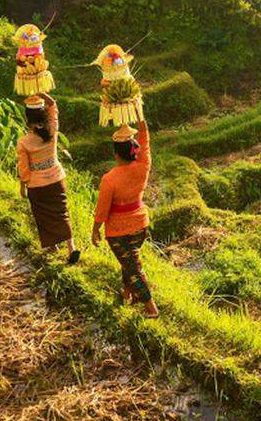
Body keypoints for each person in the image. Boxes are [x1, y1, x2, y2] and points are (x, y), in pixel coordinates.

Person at [91, 120, 159, 319]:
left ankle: (151, 309)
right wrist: (140, 120)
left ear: (116, 154)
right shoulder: (143, 165)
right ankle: (127, 293)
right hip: (140, 226)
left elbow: (102, 209)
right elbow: (145, 140)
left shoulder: (109, 179)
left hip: (119, 232)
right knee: (128, 262)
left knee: (133, 269)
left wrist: (95, 229)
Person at [17, 94, 79, 264]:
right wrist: (42, 93)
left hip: (37, 185)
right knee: (62, 213)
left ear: (28, 120)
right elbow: (53, 106)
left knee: (43, 216)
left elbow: (24, 168)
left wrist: (23, 186)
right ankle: (71, 247)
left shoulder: (23, 142)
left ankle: (53, 246)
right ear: (44, 116)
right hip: (57, 180)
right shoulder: (52, 128)